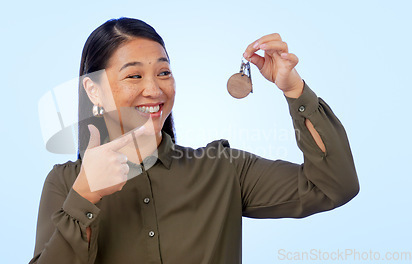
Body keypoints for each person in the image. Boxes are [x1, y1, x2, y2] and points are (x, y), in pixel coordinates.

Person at [29, 17, 359, 264]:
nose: (154, 90)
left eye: (163, 72)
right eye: (134, 75)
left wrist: (294, 90)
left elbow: (332, 187)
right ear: (94, 90)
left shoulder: (223, 169)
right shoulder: (66, 184)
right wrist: (85, 196)